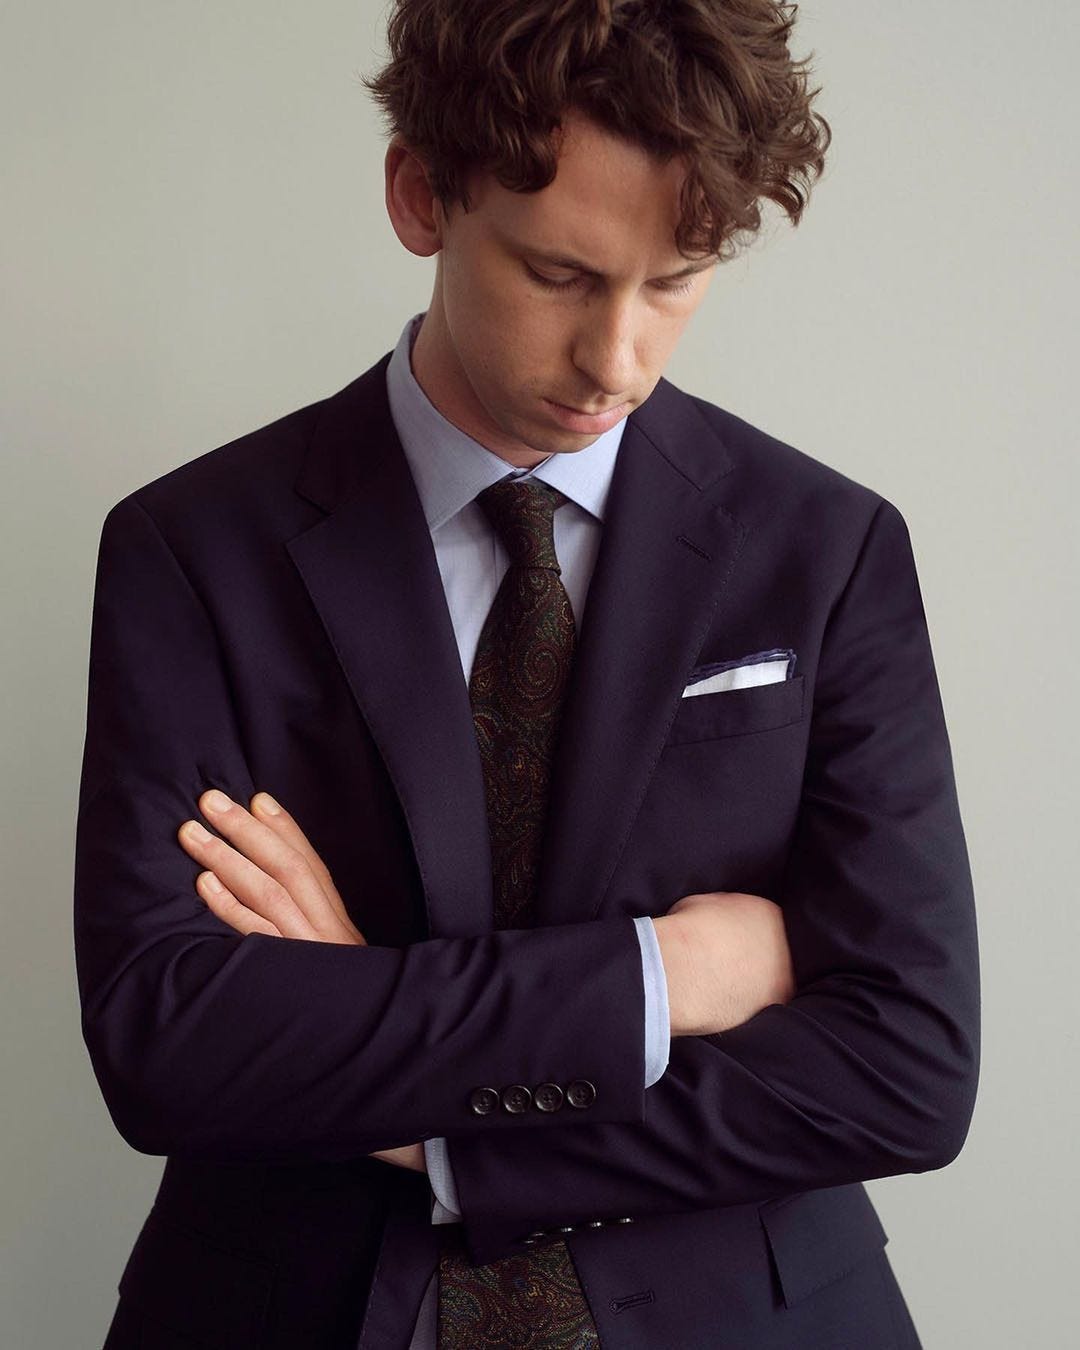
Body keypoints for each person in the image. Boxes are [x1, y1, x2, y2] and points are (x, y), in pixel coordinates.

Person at [74, 2, 980, 1347]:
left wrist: (417, 1112)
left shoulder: (828, 548)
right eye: (559, 274)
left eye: (675, 281)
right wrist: (658, 977)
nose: (618, 360)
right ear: (419, 194)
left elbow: (908, 1068)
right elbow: (170, 1043)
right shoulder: (192, 549)